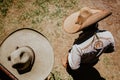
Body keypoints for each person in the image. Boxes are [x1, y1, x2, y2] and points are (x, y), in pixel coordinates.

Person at [61, 7, 115, 80]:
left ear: (82, 28)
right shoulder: (108, 35)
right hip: (93, 62)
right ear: (96, 23)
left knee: (64, 60)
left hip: (80, 65)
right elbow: (110, 50)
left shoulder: (77, 47)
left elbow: (74, 67)